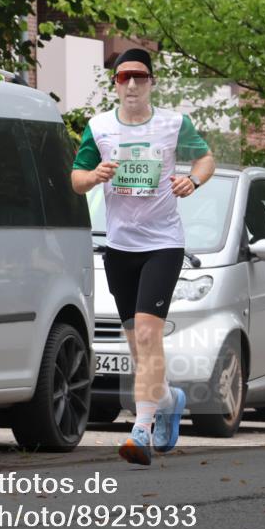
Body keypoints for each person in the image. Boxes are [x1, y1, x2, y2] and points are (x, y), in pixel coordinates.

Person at [71, 48, 216, 465]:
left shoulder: (174, 124)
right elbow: (76, 179)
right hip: (119, 247)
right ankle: (169, 399)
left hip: (163, 243)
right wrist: (94, 176)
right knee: (139, 347)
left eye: (139, 77)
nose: (131, 84)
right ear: (114, 84)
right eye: (123, 78)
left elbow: (205, 158)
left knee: (150, 337)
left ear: (151, 82)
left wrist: (193, 180)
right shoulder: (99, 128)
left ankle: (141, 430)